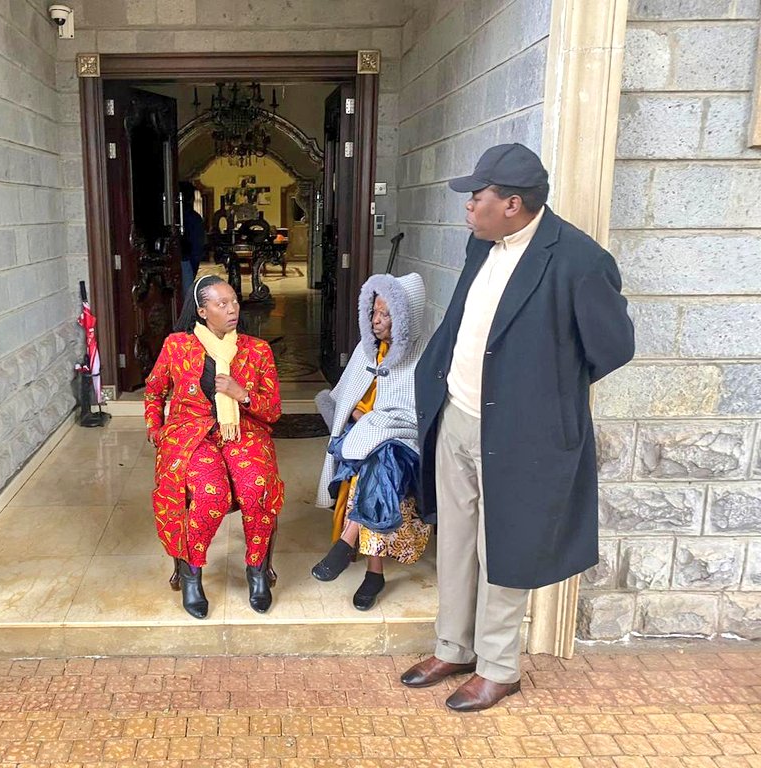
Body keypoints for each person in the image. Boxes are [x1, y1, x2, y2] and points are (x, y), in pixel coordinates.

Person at [401, 144, 635, 711]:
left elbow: (613, 347)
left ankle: (499, 668)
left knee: (504, 550)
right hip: (456, 417)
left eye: (475, 198)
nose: (466, 207)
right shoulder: (481, 243)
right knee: (455, 543)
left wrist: (540, 392)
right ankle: (454, 647)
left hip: (520, 437)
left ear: (511, 203)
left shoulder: (579, 260)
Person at [145, 274, 284, 619]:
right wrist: (155, 428)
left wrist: (243, 394)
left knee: (257, 487)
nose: (232, 309)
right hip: (190, 434)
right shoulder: (177, 345)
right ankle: (192, 572)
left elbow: (274, 411)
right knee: (212, 495)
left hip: (243, 432)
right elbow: (154, 389)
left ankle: (256, 570)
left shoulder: (256, 350)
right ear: (203, 311)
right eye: (222, 304)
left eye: (234, 301)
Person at [311, 273, 433, 610]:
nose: (376, 321)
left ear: (407, 316)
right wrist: (358, 416)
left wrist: (383, 425)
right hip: (365, 435)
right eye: (374, 313)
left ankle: (351, 548)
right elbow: (345, 400)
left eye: (386, 314)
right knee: (377, 464)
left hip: (406, 441)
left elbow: (421, 414)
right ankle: (372, 573)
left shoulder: (426, 354)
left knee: (385, 459)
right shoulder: (368, 351)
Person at [179, 181, 205, 297]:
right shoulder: (194, 218)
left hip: (186, 259)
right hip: (186, 260)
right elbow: (197, 248)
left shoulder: (192, 217)